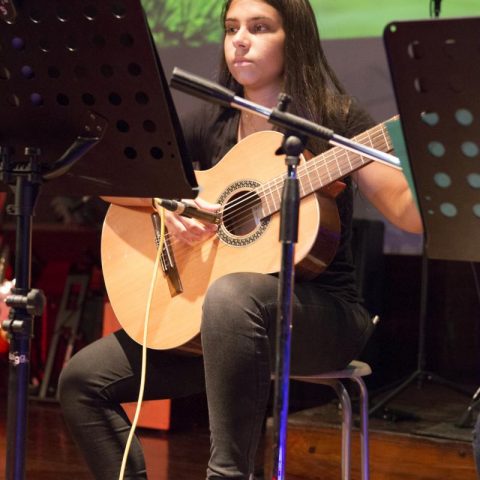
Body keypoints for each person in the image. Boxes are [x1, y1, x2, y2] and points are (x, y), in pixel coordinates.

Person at [58, 0, 423, 478]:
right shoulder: (213, 121)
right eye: (231, 29)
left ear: (293, 38)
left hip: (319, 315)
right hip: (219, 326)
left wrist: (437, 162)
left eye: (259, 27)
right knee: (81, 381)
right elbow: (112, 178)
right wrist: (164, 204)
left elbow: (407, 213)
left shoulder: (333, 117)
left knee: (232, 296)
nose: (240, 41)